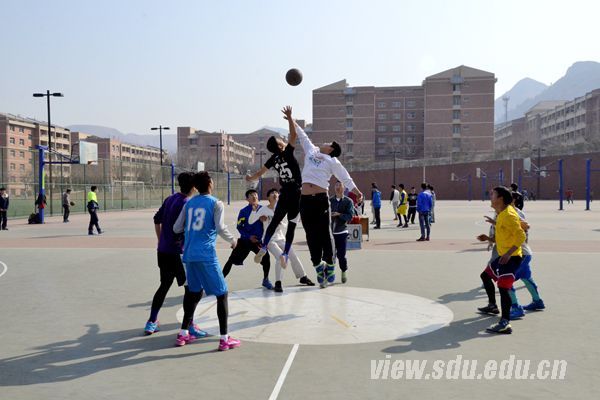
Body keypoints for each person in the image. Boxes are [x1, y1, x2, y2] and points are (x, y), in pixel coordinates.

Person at [173, 172, 240, 351]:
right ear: (210, 183)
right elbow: (220, 227)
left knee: (193, 292)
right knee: (222, 294)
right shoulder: (216, 203)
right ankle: (224, 338)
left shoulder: (189, 203)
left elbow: (176, 227)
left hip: (189, 255)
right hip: (206, 255)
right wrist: (233, 240)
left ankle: (183, 333)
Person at [294, 118, 363, 288]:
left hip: (320, 199)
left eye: (328, 143)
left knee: (325, 233)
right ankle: (318, 266)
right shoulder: (312, 150)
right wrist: (291, 120)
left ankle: (330, 265)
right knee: (310, 235)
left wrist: (356, 192)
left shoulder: (332, 161)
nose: (324, 142)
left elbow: (345, 177)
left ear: (331, 149)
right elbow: (302, 136)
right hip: (305, 200)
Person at [143, 172, 208, 339]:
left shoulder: (169, 199)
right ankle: (190, 325)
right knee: (192, 289)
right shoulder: (189, 204)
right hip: (179, 254)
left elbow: (156, 219)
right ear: (194, 187)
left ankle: (151, 321)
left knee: (164, 285)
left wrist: (160, 240)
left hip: (163, 251)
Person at [248, 106, 302, 267]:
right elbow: (293, 135)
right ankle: (285, 253)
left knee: (274, 222)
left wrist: (250, 178)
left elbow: (260, 173)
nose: (283, 140)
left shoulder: (273, 159)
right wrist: (290, 118)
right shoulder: (288, 152)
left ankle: (264, 246)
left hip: (284, 194)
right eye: (280, 140)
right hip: (296, 193)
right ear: (280, 145)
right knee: (292, 225)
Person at [476, 186, 526, 334]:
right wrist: (489, 238)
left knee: (503, 288)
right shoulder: (502, 214)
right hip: (503, 255)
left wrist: (509, 254)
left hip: (511, 258)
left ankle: (505, 323)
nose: (490, 197)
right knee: (485, 276)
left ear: (500, 199)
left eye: (493, 195)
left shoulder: (509, 215)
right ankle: (492, 305)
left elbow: (521, 235)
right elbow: (504, 234)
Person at [249, 188, 315, 293]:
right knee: (281, 257)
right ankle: (278, 283)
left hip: (281, 238)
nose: (275, 194)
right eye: (272, 193)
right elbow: (251, 221)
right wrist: (254, 211)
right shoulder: (263, 209)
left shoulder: (282, 209)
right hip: (269, 240)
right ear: (268, 198)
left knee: (293, 255)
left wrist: (279, 222)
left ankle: (303, 277)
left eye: (276, 192)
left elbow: (286, 224)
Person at [222, 189, 273, 289]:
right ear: (247, 199)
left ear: (258, 197)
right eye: (251, 195)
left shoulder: (264, 210)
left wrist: (267, 219)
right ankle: (220, 280)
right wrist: (248, 236)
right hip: (245, 241)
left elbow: (270, 224)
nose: (254, 196)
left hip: (258, 241)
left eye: (255, 194)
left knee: (266, 258)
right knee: (231, 261)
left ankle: (266, 280)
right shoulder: (243, 211)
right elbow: (239, 227)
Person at [330, 181, 355, 284]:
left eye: (340, 185)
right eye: (336, 185)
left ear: (344, 188)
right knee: (329, 255)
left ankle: (343, 270)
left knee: (341, 256)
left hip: (342, 232)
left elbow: (350, 216)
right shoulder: (330, 200)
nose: (338, 187)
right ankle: (330, 274)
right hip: (330, 233)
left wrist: (339, 214)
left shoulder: (348, 201)